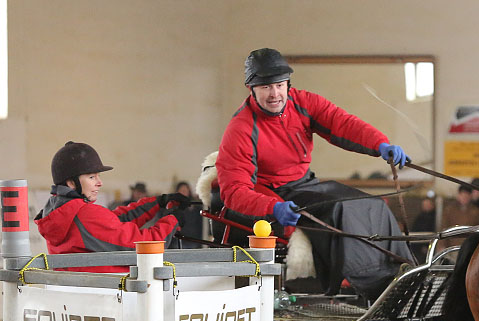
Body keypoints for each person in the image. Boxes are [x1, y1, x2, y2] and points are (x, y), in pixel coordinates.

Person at [216, 47, 414, 298]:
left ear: (288, 83)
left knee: (373, 203)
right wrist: (272, 207)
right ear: (252, 89)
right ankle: (367, 286)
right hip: (275, 193)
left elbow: (341, 123)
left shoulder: (304, 102)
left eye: (279, 85)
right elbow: (234, 192)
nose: (275, 93)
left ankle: (404, 271)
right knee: (340, 209)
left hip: (306, 184)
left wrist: (380, 144)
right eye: (266, 87)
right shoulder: (241, 129)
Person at [35, 142, 187, 273]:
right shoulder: (85, 215)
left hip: (83, 296)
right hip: (113, 298)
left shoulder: (59, 213)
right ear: (71, 183)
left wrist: (157, 202)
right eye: (91, 177)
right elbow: (144, 246)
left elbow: (114, 220)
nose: (99, 182)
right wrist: (172, 220)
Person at [438, 185, 479, 251]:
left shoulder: (475, 211)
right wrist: (441, 245)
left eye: (467, 196)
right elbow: (443, 228)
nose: (465, 198)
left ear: (470, 197)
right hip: (452, 247)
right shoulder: (449, 210)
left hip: (469, 248)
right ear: (458, 196)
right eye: (463, 195)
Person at [173, 180, 204, 248]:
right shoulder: (173, 207)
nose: (184, 192)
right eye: (182, 190)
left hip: (192, 240)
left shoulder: (195, 207)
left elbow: (199, 224)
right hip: (177, 240)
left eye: (185, 190)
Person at [410, 191, 438, 263]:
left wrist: (425, 245)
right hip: (418, 246)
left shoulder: (434, 218)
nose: (425, 206)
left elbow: (433, 230)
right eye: (424, 204)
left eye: (428, 204)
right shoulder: (419, 217)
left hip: (427, 245)